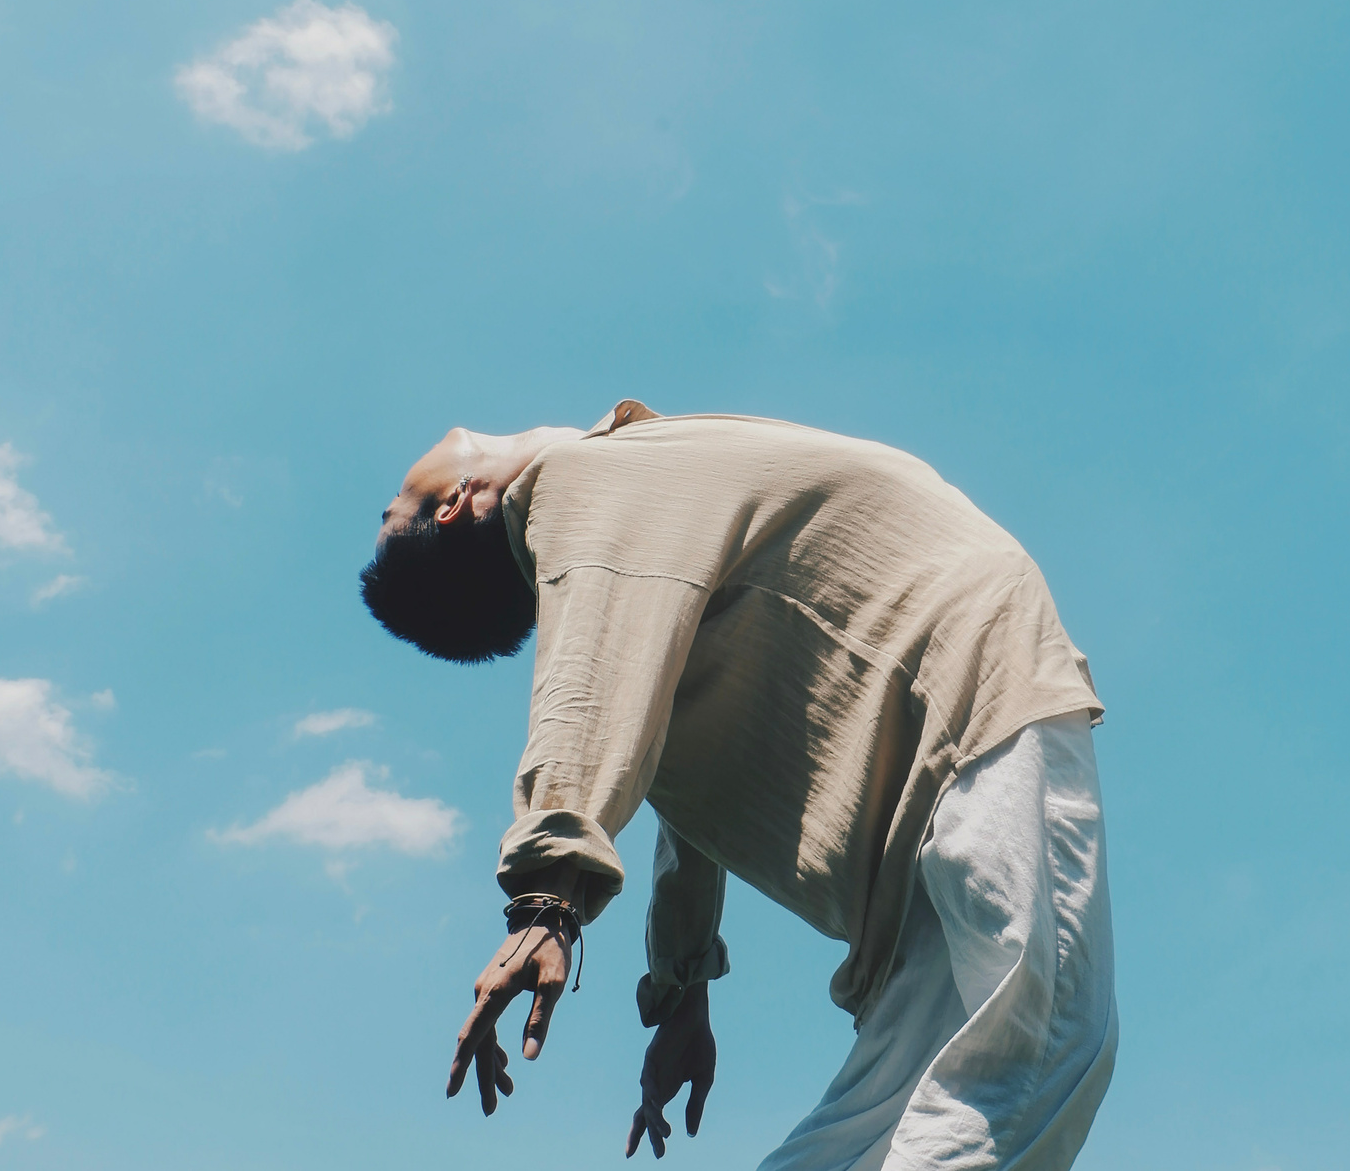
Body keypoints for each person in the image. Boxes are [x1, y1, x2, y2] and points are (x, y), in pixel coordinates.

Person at [361, 400, 1118, 1171]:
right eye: (393, 506)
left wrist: (681, 988)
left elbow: (675, 779)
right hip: (972, 703)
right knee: (1036, 1038)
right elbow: (586, 687)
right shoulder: (585, 480)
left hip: (921, 787)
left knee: (885, 1125)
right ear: (452, 505)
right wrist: (547, 899)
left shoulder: (638, 502)